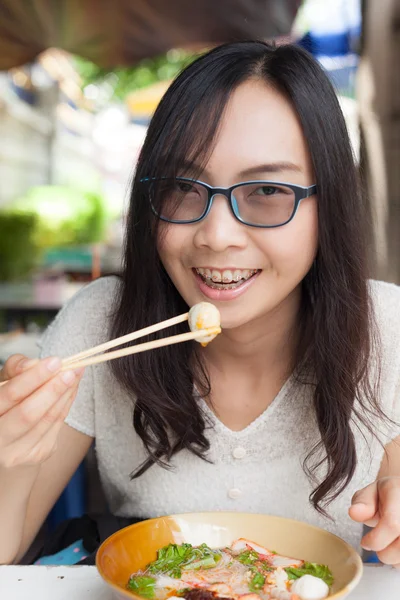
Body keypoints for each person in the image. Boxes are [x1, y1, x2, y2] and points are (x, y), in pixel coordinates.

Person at [1, 41, 400, 567]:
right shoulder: (102, 324)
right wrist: (8, 457)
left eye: (265, 191)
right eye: (182, 188)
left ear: (329, 204)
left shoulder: (385, 329)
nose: (216, 235)